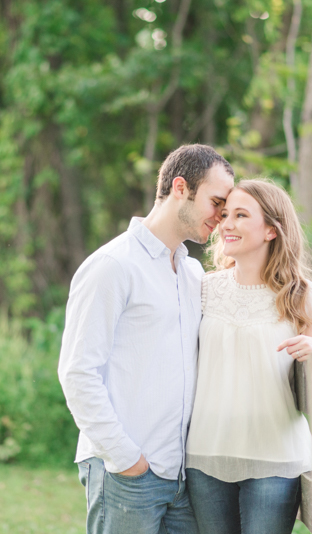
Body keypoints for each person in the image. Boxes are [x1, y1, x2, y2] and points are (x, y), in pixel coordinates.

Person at [58, 144, 235, 534]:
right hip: (127, 473)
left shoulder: (191, 275)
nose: (222, 218)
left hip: (182, 478)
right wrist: (126, 460)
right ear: (180, 188)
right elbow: (77, 372)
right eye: (216, 202)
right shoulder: (112, 266)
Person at [185, 178, 312, 534]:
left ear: (271, 230)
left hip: (275, 459)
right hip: (206, 454)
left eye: (240, 215)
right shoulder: (203, 289)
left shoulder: (302, 295)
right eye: (225, 215)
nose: (227, 224)